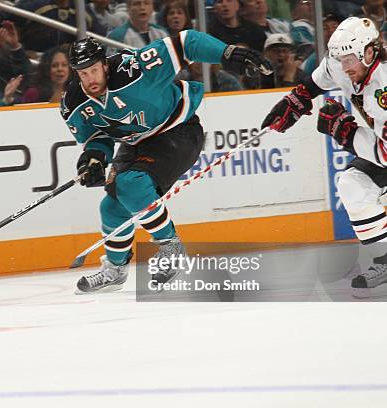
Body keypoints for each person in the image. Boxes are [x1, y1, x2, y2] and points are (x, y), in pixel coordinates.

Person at [60, 34, 272, 293]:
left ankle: (171, 247)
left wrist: (227, 52)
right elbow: (97, 137)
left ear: (104, 64)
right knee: (112, 207)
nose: (90, 78)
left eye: (94, 70)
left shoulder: (134, 68)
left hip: (177, 130)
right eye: (83, 73)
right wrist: (93, 159)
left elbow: (186, 43)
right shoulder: (73, 104)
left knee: (130, 183)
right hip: (137, 141)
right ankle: (115, 270)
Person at [260, 17, 387, 295]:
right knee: (352, 185)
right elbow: (318, 80)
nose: (344, 67)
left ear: (369, 52)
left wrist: (346, 133)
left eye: (349, 59)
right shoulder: (347, 64)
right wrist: (295, 101)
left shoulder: (384, 83)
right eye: (340, 59)